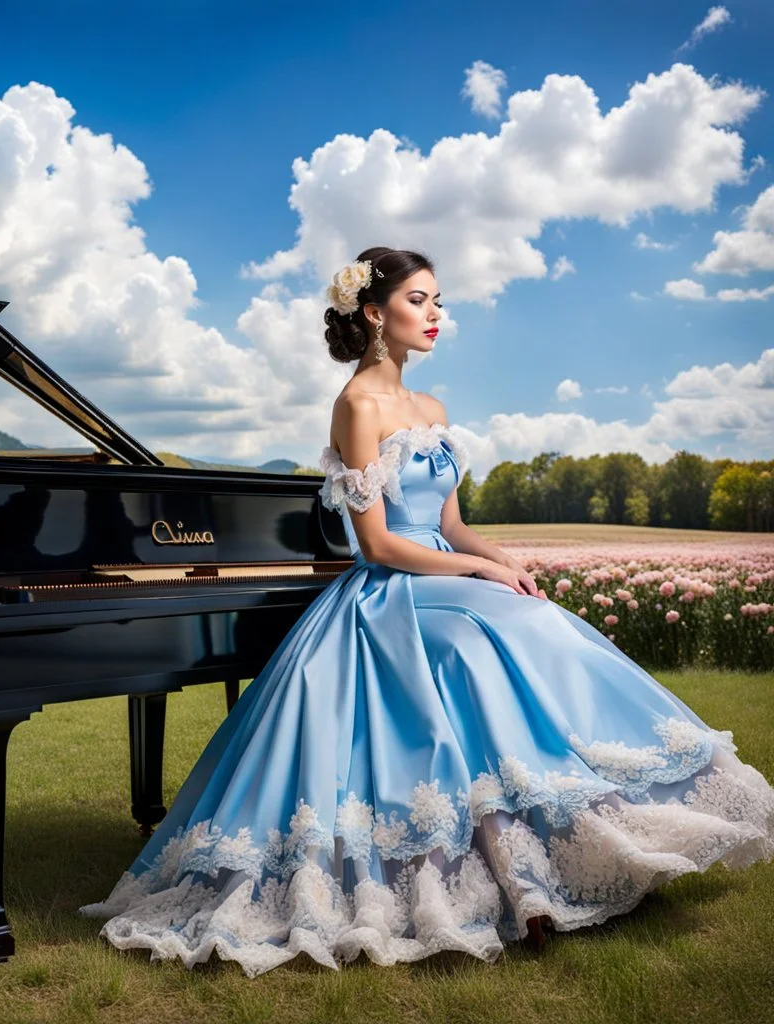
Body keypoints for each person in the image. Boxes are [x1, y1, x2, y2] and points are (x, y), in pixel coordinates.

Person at [79, 246, 774, 978]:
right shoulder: (356, 406)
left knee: (535, 621)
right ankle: (495, 871)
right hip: (388, 593)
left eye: (439, 300)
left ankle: (561, 852)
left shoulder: (434, 410)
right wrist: (473, 568)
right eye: (420, 300)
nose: (437, 315)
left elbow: (454, 524)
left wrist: (500, 559)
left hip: (443, 569)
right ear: (375, 313)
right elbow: (377, 543)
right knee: (475, 643)